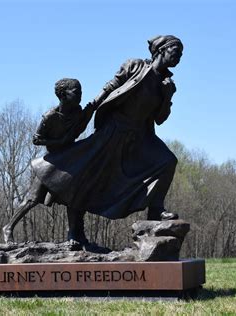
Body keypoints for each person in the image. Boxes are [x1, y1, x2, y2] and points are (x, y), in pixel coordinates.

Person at [28, 35, 184, 244]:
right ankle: (75, 231)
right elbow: (112, 85)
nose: (179, 57)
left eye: (181, 54)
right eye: (176, 51)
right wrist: (92, 106)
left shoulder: (166, 84)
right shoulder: (135, 66)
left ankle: (155, 211)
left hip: (140, 137)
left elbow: (160, 119)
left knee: (167, 161)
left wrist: (167, 96)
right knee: (85, 177)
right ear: (162, 50)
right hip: (114, 131)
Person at [2, 78, 95, 243]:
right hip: (51, 162)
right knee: (32, 198)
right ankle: (8, 227)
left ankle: (73, 234)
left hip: (68, 160)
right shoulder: (50, 117)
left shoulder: (77, 113)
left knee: (74, 197)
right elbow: (36, 139)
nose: (80, 95)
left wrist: (90, 112)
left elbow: (79, 128)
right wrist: (57, 142)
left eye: (81, 92)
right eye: (76, 92)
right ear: (63, 95)